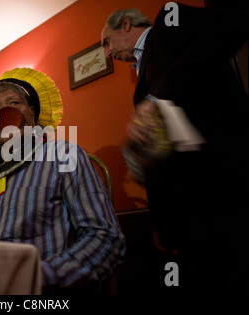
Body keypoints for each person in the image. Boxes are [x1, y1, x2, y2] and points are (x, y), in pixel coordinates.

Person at [101, 3, 248, 293]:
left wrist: (156, 100)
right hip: (189, 219)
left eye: (106, 42)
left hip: (227, 192)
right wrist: (163, 220)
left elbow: (234, 20)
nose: (106, 53)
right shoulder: (142, 74)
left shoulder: (167, 22)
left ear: (127, 24)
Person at [0, 67, 125, 294]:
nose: (5, 111)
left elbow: (105, 238)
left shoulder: (64, 156)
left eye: (14, 103)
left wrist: (39, 277)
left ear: (31, 114)